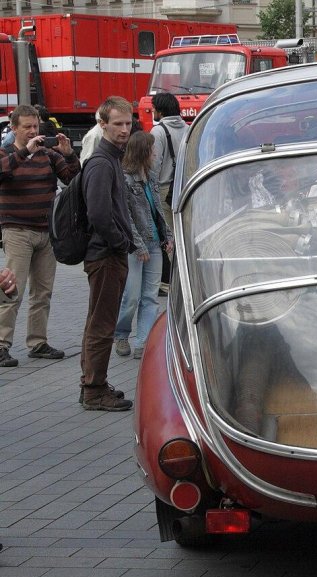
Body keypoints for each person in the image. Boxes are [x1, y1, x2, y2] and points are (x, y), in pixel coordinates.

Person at [0, 104, 80, 368]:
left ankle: (38, 342)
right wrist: (25, 152)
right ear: (14, 128)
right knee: (12, 291)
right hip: (17, 231)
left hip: (46, 232)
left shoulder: (48, 154)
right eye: (27, 127)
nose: (33, 131)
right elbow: (3, 171)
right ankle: (1, 344)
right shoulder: (7, 153)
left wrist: (69, 155)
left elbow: (72, 179)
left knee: (42, 292)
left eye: (35, 126)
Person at [80, 96, 135, 412]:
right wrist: (120, 242)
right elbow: (99, 214)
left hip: (107, 253)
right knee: (102, 325)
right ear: (102, 125)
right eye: (117, 124)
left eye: (128, 123)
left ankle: (92, 384)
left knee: (97, 322)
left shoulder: (110, 158)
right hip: (105, 255)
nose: (124, 129)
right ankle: (94, 390)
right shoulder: (102, 162)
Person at [114, 131, 173, 360]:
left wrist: (167, 236)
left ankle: (143, 342)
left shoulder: (151, 176)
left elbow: (157, 209)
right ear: (143, 151)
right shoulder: (125, 179)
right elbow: (126, 216)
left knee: (150, 296)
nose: (155, 153)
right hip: (135, 245)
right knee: (131, 296)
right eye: (152, 148)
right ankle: (121, 334)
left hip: (155, 242)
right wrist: (138, 245)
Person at [150, 93, 188, 293]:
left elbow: (153, 165)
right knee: (184, 235)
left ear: (160, 111)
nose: (152, 112)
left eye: (154, 108)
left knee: (169, 237)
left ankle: (177, 284)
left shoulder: (158, 132)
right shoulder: (188, 128)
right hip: (185, 187)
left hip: (165, 190)